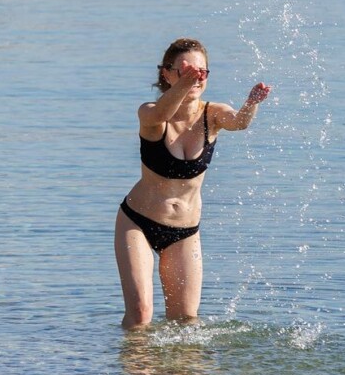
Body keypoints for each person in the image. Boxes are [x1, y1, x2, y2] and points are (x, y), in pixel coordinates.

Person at [115, 38, 271, 329]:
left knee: (186, 322)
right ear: (167, 73)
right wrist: (184, 85)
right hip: (138, 222)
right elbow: (162, 113)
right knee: (140, 315)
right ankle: (136, 373)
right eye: (188, 70)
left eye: (203, 71)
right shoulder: (149, 112)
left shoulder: (211, 114)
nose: (197, 77)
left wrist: (251, 103)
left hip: (185, 231)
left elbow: (239, 123)